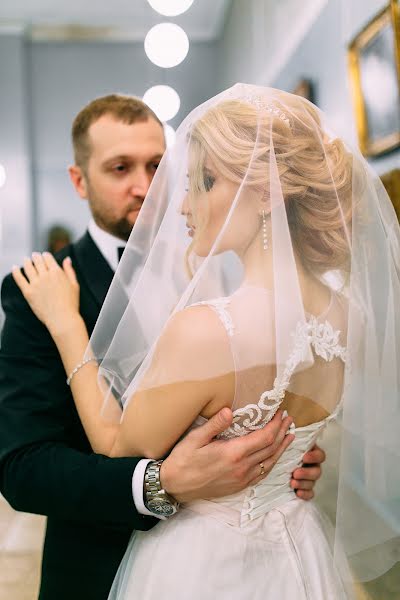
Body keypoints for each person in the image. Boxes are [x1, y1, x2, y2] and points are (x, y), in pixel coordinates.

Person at [12, 84, 400, 598]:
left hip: (201, 563)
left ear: (264, 192)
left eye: (186, 177)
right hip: (287, 554)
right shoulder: (346, 315)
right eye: (120, 168)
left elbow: (116, 445)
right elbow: (22, 465)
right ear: (78, 180)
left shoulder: (208, 318)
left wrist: (69, 329)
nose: (162, 195)